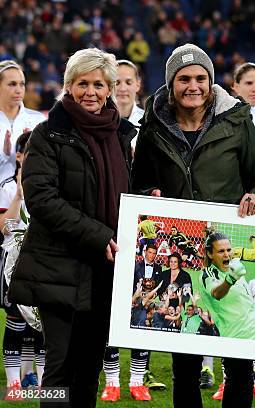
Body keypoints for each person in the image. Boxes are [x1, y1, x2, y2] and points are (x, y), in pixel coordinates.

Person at [131, 43, 255, 408]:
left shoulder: (237, 120)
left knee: (239, 365)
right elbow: (138, 184)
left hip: (224, 250)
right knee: (186, 362)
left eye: (200, 78)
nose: (192, 85)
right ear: (170, 84)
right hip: (183, 255)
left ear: (210, 82)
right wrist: (151, 195)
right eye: (183, 79)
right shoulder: (152, 126)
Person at [8, 48, 134, 408]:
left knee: (90, 367)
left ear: (110, 88)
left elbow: (121, 194)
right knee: (60, 368)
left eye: (98, 84)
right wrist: (99, 235)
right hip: (59, 266)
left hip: (104, 270)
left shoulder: (121, 136)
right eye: (82, 83)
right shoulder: (48, 134)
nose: (90, 91)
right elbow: (42, 200)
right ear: (68, 86)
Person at [200, 233, 255, 406]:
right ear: (210, 254)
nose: (226, 254)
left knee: (245, 388)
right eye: (221, 251)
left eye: (228, 250)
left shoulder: (237, 271)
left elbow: (250, 307)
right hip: (234, 340)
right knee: (236, 389)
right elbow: (217, 293)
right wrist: (230, 279)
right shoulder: (207, 274)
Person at [0, 131, 45, 398]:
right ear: (19, 156)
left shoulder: (50, 182)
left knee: (43, 326)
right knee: (15, 322)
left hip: (44, 263)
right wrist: (19, 193)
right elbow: (6, 228)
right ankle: (14, 384)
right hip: (15, 264)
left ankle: (43, 383)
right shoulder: (6, 187)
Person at [101, 243, 164, 402]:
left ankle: (137, 383)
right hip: (116, 296)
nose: (151, 255)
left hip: (141, 305)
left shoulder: (156, 268)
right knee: (110, 333)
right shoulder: (134, 264)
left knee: (140, 331)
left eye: (153, 253)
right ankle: (112, 384)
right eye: (148, 252)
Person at [0, 60, 46, 183]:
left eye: (22, 84)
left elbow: (49, 166)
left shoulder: (39, 120)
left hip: (30, 199)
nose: (19, 90)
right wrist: (5, 156)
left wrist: (32, 155)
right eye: (12, 84)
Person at [116, 59, 145, 149]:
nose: (123, 88)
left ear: (137, 85)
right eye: (117, 82)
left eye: (128, 82)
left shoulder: (149, 122)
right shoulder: (98, 121)